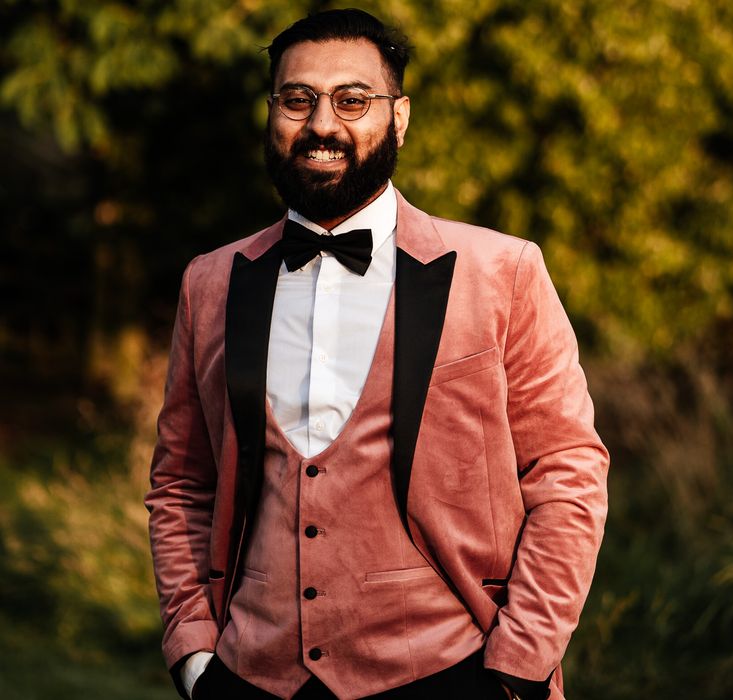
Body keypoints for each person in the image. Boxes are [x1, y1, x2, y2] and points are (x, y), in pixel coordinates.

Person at [146, 9, 609, 700]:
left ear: (399, 118)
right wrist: (192, 655)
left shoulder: (502, 272)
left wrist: (519, 664)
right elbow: (182, 484)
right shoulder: (211, 282)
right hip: (251, 679)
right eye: (297, 100)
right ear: (272, 114)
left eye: (353, 100)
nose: (322, 125)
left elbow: (568, 474)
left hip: (455, 673)